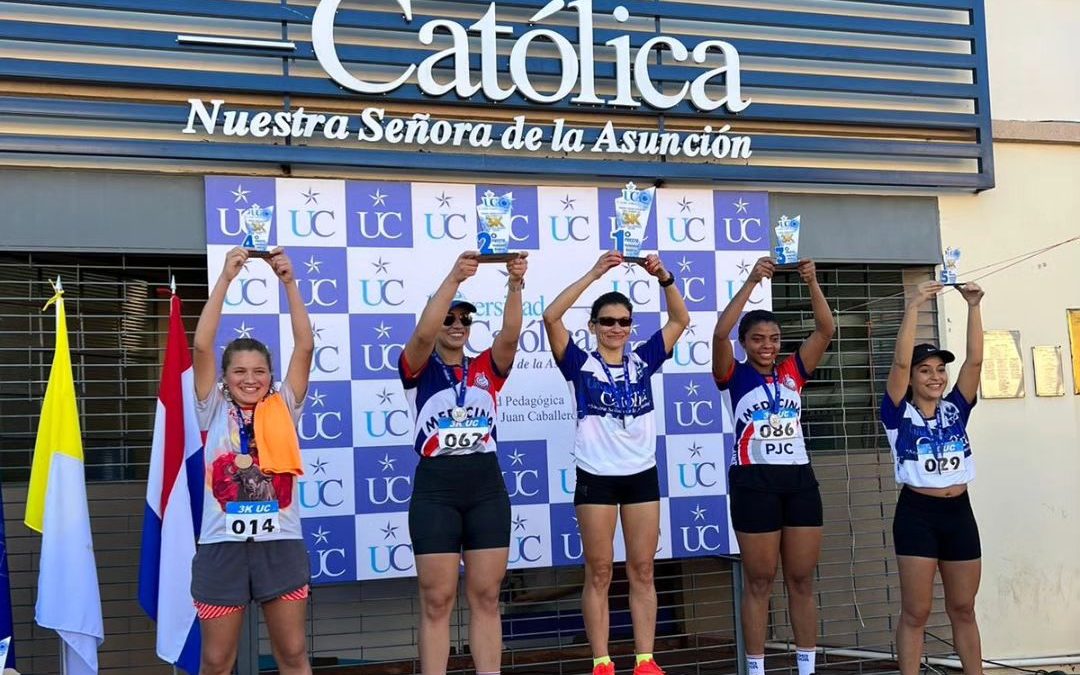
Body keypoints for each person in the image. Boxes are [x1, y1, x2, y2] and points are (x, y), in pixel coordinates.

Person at [542, 251, 690, 675]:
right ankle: (602, 661)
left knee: (643, 569)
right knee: (600, 570)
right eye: (607, 321)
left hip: (641, 475)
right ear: (593, 327)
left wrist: (663, 277)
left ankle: (645, 659)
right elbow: (552, 318)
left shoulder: (643, 359)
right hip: (596, 477)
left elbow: (679, 320)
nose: (615, 328)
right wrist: (594, 272)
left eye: (623, 322)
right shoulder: (579, 362)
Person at [399, 250, 529, 675]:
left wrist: (514, 284)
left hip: (485, 486)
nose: (456, 325)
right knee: (437, 600)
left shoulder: (486, 368)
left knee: (487, 597)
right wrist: (454, 278)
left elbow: (511, 334)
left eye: (464, 320)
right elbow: (421, 336)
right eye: (449, 319)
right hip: (436, 488)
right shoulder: (417, 367)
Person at [191, 247, 315, 675]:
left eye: (259, 371)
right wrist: (226, 277)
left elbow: (305, 345)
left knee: (294, 655)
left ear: (270, 375)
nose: (250, 379)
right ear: (224, 378)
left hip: (279, 544)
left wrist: (289, 283)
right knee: (216, 660)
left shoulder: (284, 406)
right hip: (221, 545)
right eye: (239, 371)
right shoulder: (211, 407)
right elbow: (202, 344)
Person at [711, 257, 835, 675]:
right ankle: (758, 668)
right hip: (754, 481)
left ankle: (806, 668)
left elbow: (825, 330)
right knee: (760, 580)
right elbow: (719, 332)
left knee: (801, 580)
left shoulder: (792, 372)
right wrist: (751, 280)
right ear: (746, 343)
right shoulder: (734, 374)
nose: (768, 345)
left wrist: (812, 281)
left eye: (774, 337)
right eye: (758, 338)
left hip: (799, 481)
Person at [882, 280, 985, 675]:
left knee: (963, 607)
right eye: (925, 370)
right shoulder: (896, 412)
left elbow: (974, 362)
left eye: (940, 369)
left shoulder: (956, 408)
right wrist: (913, 307)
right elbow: (899, 364)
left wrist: (974, 306)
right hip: (917, 513)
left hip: (959, 511)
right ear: (912, 379)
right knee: (916, 611)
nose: (936, 377)